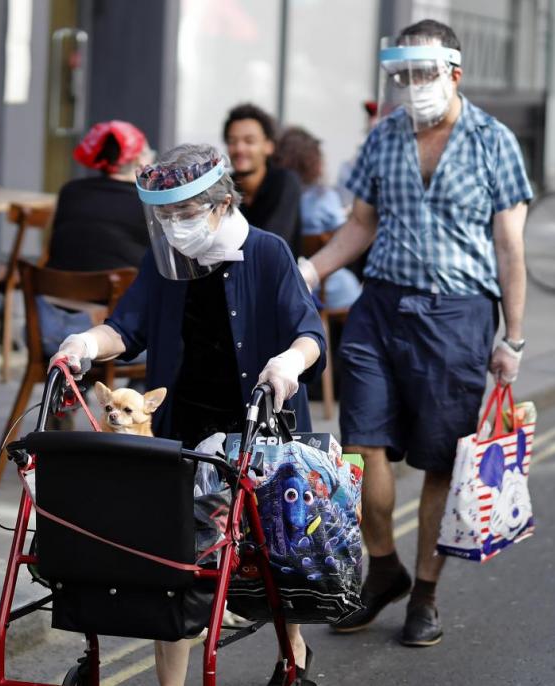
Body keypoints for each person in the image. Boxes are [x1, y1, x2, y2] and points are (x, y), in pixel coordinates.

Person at [51, 143, 325, 686]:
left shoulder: (268, 253)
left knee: (272, 563)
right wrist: (84, 342)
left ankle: (292, 656)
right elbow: (126, 329)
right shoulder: (164, 263)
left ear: (223, 204)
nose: (175, 227)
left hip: (260, 429)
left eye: (185, 213)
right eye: (165, 216)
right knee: (172, 571)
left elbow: (310, 333)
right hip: (184, 432)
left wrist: (291, 361)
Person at [300, 19, 531, 647]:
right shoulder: (385, 137)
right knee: (362, 444)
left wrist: (511, 339)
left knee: (437, 461)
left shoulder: (495, 142)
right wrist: (311, 269)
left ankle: (425, 592)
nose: (412, 86)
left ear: (454, 73)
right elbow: (360, 225)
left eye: (423, 73)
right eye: (402, 75)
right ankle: (383, 570)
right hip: (381, 308)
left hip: (459, 317)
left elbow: (510, 249)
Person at [41, 120, 155, 354]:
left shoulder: (69, 191)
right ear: (138, 160)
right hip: (111, 338)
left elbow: (47, 246)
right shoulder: (148, 203)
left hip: (47, 329)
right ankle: (139, 390)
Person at [273, 125, 362, 309]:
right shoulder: (324, 198)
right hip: (326, 283)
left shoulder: (277, 196)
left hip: (286, 277)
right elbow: (347, 235)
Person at [222, 103, 302, 258]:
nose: (239, 149)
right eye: (232, 141)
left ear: (269, 146)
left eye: (249, 141)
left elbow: (271, 245)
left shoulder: (285, 182)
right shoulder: (222, 188)